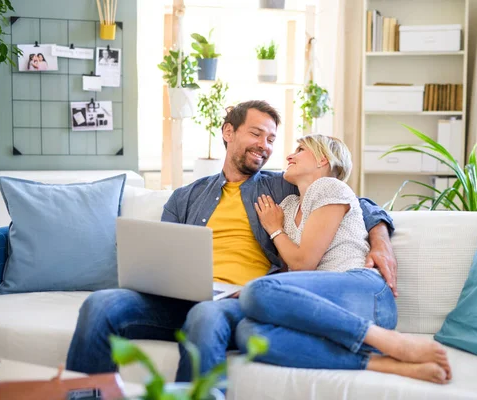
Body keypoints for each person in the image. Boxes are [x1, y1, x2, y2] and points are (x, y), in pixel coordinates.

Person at [66, 100, 397, 382]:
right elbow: (162, 254)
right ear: (228, 132)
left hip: (241, 300)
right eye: (256, 133)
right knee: (101, 304)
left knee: (205, 317)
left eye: (271, 138)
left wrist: (380, 238)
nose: (265, 145)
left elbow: (354, 201)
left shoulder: (280, 187)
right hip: (182, 298)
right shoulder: (185, 197)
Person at [234, 135, 451, 384]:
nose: (289, 156)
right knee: (248, 333)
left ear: (322, 159)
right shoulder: (288, 205)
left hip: (362, 292)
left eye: (300, 149)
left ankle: (389, 340)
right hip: (326, 309)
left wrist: (275, 230)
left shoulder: (330, 187)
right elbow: (292, 273)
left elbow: (303, 264)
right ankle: (381, 363)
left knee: (256, 290)